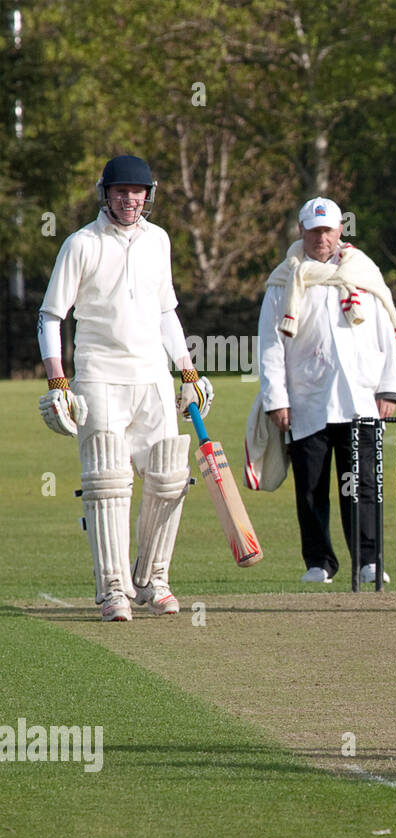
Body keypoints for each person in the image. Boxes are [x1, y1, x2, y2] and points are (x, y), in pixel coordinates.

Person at [37, 154, 211, 622]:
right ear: (106, 194)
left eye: (138, 191)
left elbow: (165, 313)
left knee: (170, 477)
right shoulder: (81, 244)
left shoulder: (159, 241)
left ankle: (154, 579)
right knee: (109, 482)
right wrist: (58, 381)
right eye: (121, 191)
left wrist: (188, 372)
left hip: (152, 376)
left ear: (148, 194)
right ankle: (114, 588)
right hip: (100, 376)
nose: (130, 199)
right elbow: (51, 316)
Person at [258, 197, 396, 585]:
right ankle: (319, 562)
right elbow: (270, 345)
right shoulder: (284, 280)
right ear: (302, 231)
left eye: (328, 230)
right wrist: (277, 400)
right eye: (314, 230)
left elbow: (385, 332)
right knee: (311, 488)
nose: (322, 237)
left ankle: (369, 560)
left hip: (360, 397)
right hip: (306, 400)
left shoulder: (363, 273)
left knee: (363, 485)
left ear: (340, 230)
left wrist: (389, 388)